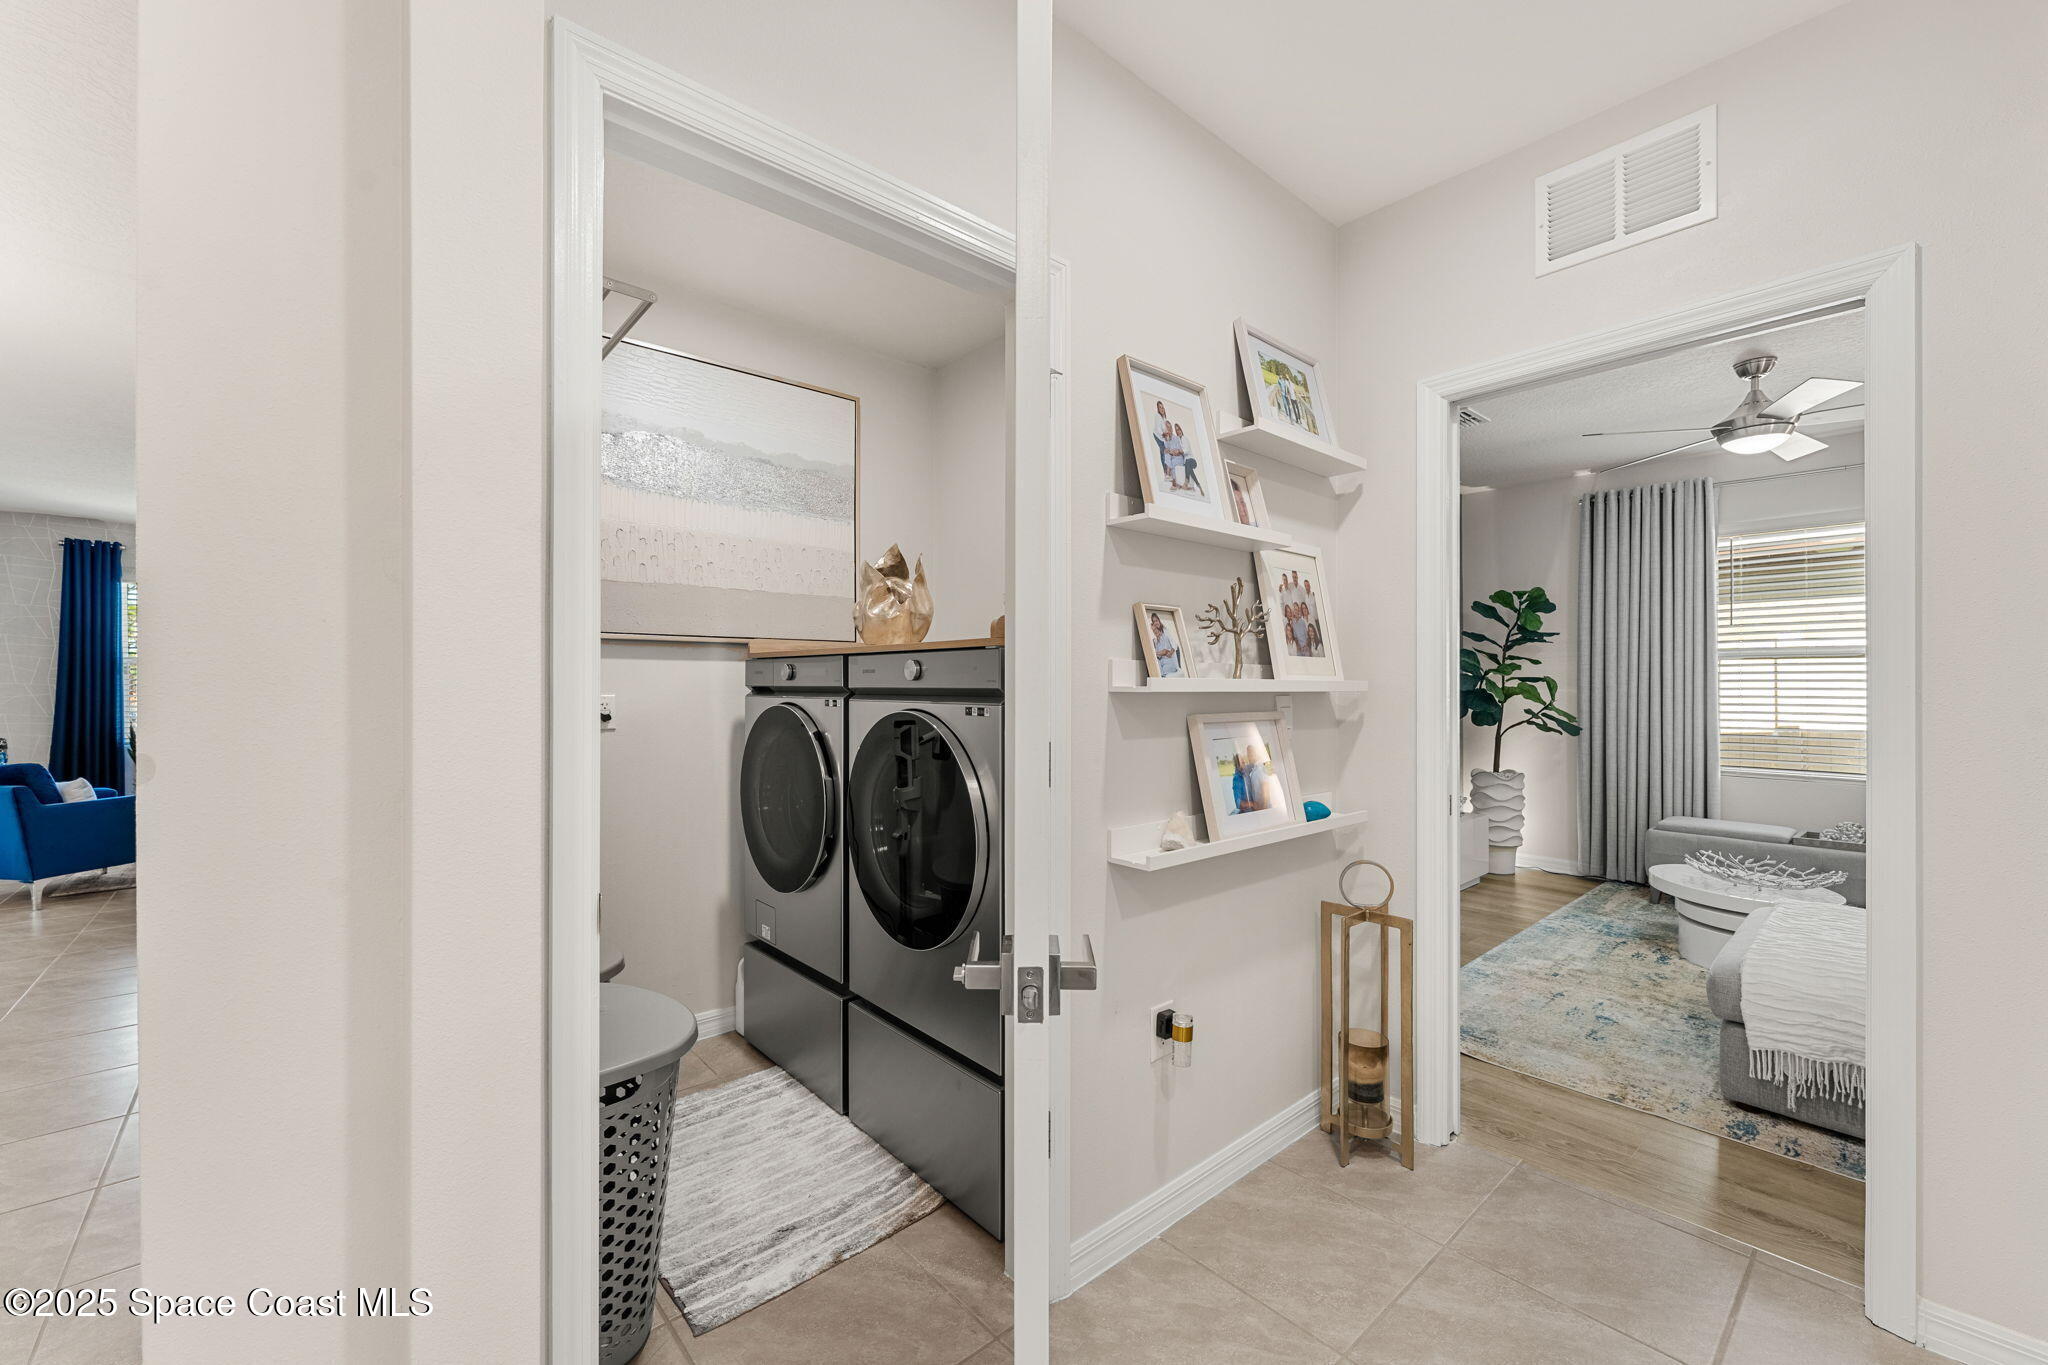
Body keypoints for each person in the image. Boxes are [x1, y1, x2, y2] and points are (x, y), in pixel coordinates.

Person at [1171, 423, 1204, 494]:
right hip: (1187, 463)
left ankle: (1186, 481)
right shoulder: (1179, 440)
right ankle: (1199, 487)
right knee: (1190, 471)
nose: (1178, 431)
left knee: (1187, 462)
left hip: (1192, 460)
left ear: (1181, 430)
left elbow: (1187, 450)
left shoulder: (1184, 438)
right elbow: (1178, 451)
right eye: (1176, 430)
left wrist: (1180, 451)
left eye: (1179, 429)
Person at [1149, 612, 1182, 677]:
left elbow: (1174, 645)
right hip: (1163, 662)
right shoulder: (1156, 640)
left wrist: (1169, 653)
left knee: (1163, 672)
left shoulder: (1166, 631)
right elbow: (1159, 655)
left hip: (1170, 661)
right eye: (1153, 622)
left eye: (1156, 620)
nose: (1155, 623)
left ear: (1159, 620)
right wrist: (1161, 653)